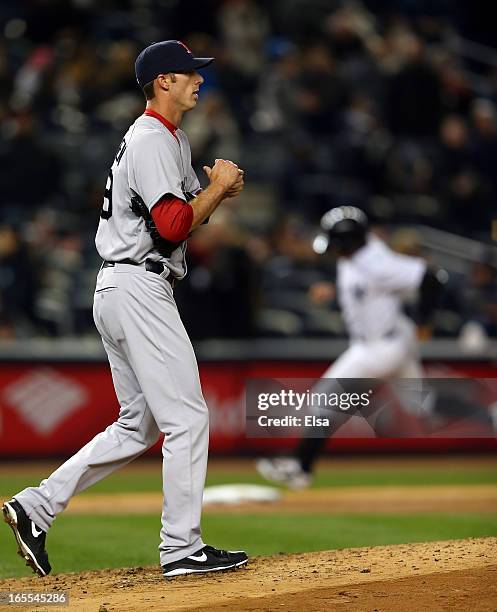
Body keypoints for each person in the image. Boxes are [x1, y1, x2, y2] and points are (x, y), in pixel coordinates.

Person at [3, 40, 248, 578]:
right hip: (139, 286)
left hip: (121, 287)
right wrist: (218, 189)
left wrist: (212, 192)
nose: (198, 81)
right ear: (163, 81)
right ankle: (182, 548)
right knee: (186, 417)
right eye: (189, 74)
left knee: (138, 424)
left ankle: (35, 507)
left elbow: (181, 215)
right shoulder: (151, 139)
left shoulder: (169, 139)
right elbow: (174, 226)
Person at [257, 206, 443, 489]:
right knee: (422, 405)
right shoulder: (358, 255)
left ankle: (300, 466)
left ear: (348, 242)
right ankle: (487, 413)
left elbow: (431, 278)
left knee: (324, 399)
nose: (334, 250)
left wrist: (425, 322)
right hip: (393, 340)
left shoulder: (376, 263)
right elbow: (364, 285)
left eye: (337, 243)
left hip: (378, 348)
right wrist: (334, 291)